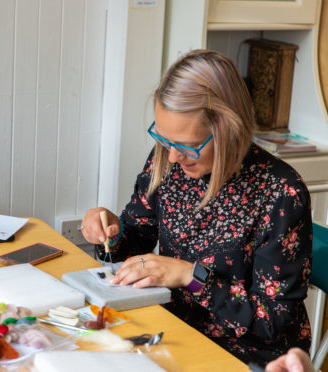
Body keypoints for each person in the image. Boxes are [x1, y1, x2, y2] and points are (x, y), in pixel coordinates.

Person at [81, 50, 312, 366]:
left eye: (187, 145)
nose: (173, 156)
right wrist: (111, 231)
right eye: (163, 139)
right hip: (170, 329)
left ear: (229, 129)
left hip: (243, 355)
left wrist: (191, 277)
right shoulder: (168, 157)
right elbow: (133, 244)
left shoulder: (281, 192)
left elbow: (272, 321)